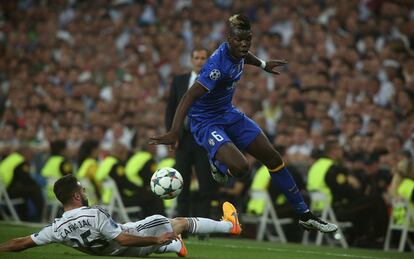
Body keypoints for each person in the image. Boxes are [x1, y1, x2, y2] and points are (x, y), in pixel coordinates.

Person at [149, 14, 337, 233]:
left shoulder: (236, 50)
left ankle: (305, 215)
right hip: (206, 122)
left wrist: (263, 64)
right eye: (239, 40)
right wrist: (174, 132)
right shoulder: (216, 67)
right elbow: (188, 97)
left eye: (247, 40)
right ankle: (217, 162)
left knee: (273, 158)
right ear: (229, 38)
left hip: (229, 114)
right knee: (241, 168)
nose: (244, 44)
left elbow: (244, 56)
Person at [0, 175, 241, 257]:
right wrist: (156, 240)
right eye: (82, 190)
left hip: (115, 252)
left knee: (129, 228)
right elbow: (123, 238)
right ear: (75, 196)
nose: (85, 193)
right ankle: (230, 226)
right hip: (131, 243)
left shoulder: (55, 228)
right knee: (177, 222)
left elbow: (21, 243)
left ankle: (175, 247)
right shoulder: (93, 214)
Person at [165, 46, 218, 218]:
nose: (199, 61)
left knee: (205, 184)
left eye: (203, 58)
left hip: (203, 139)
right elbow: (170, 109)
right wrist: (172, 134)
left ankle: (202, 228)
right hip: (183, 138)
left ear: (207, 61)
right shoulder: (179, 80)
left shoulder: (215, 81)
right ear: (191, 59)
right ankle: (183, 226)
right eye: (196, 58)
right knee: (181, 183)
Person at [0, 145, 44, 221]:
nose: (32, 157)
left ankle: (24, 217)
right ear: (25, 152)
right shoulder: (20, 161)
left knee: (24, 191)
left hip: (4, 189)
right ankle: (40, 217)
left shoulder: (11, 158)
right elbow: (26, 179)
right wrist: (37, 184)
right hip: (6, 192)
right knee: (34, 189)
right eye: (31, 154)